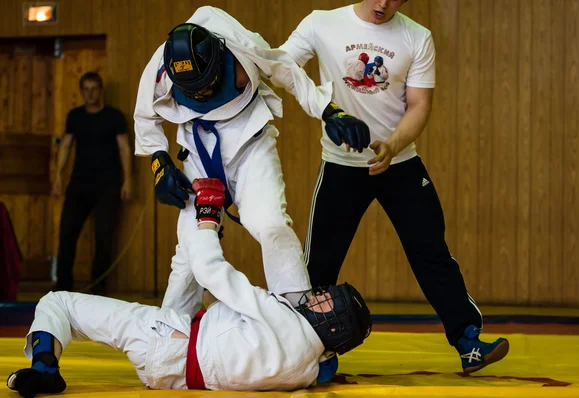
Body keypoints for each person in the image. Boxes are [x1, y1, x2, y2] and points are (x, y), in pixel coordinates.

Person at [280, 0, 509, 373]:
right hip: (341, 166)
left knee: (432, 253)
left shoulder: (417, 37)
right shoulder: (320, 23)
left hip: (399, 163)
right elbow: (279, 65)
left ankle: (468, 341)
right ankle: (313, 352)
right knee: (319, 264)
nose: (383, 4)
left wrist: (392, 145)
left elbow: (419, 105)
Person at [6, 178, 372, 398]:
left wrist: (210, 219)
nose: (322, 294)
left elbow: (213, 274)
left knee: (58, 303)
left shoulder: (285, 321)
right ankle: (193, 218)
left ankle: (45, 368)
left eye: (330, 302)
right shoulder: (311, 369)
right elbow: (326, 365)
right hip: (180, 366)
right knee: (187, 252)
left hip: (166, 340)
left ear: (335, 325)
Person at [134, 6, 370, 316]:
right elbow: (144, 118)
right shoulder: (161, 68)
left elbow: (287, 70)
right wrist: (160, 165)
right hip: (197, 148)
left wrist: (330, 110)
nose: (203, 94)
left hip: (250, 143)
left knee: (270, 224)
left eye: (206, 85)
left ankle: (299, 318)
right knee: (190, 248)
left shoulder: (241, 49)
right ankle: (171, 333)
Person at [52, 72, 132, 295]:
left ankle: (98, 290)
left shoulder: (114, 117)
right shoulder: (75, 116)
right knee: (67, 233)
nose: (90, 93)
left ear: (101, 90)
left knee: (104, 238)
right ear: (81, 92)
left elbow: (124, 148)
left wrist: (128, 180)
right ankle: (62, 287)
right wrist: (58, 176)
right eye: (86, 89)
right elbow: (66, 146)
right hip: (79, 184)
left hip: (108, 185)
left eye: (94, 88)